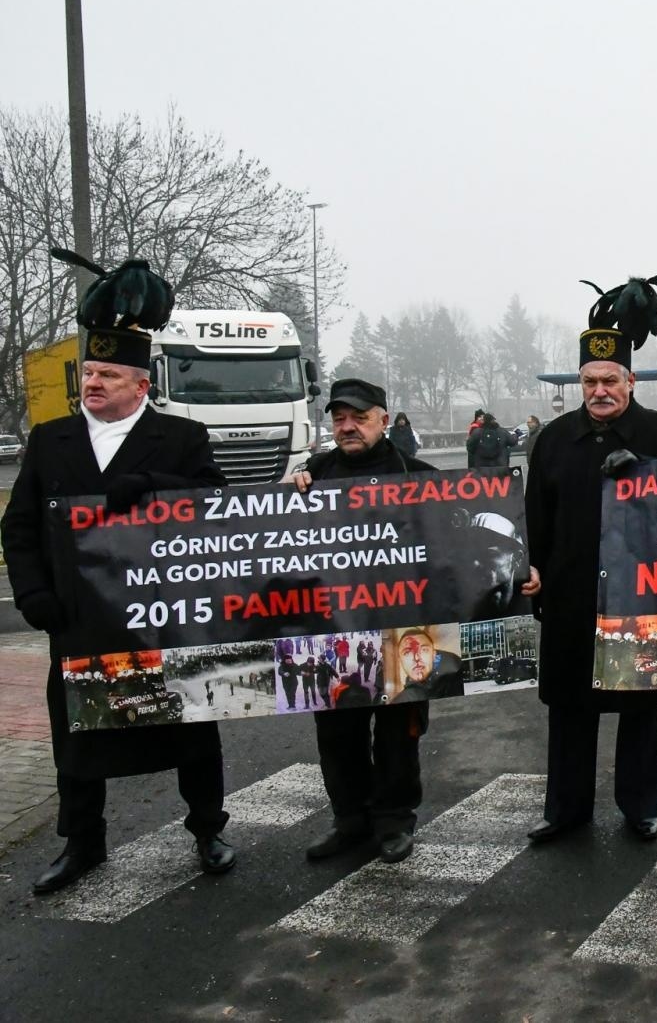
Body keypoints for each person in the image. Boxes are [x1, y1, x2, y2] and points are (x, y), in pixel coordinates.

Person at [2, 304, 237, 894]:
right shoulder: (50, 439)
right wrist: (32, 592)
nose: (94, 383)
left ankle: (208, 829)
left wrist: (155, 485)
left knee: (190, 726)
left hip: (162, 620)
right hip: (79, 619)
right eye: (88, 373)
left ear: (141, 386)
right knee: (79, 737)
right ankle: (82, 842)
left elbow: (215, 506)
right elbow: (20, 526)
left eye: (108, 375)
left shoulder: (180, 437)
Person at [522, 273, 657, 845]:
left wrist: (645, 468)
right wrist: (533, 570)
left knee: (639, 708)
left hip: (641, 596)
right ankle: (566, 809)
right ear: (580, 383)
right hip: (570, 595)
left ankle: (641, 806)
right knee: (569, 710)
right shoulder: (552, 440)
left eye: (610, 380)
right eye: (590, 381)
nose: (600, 391)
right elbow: (535, 517)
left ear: (630, 380)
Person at [289, 378, 437, 865]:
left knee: (398, 735)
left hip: (401, 629)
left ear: (383, 419)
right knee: (337, 736)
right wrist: (288, 497)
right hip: (332, 633)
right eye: (339, 419)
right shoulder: (313, 475)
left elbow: (456, 549)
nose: (348, 427)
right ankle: (349, 819)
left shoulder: (419, 475)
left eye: (359, 417)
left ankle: (394, 821)